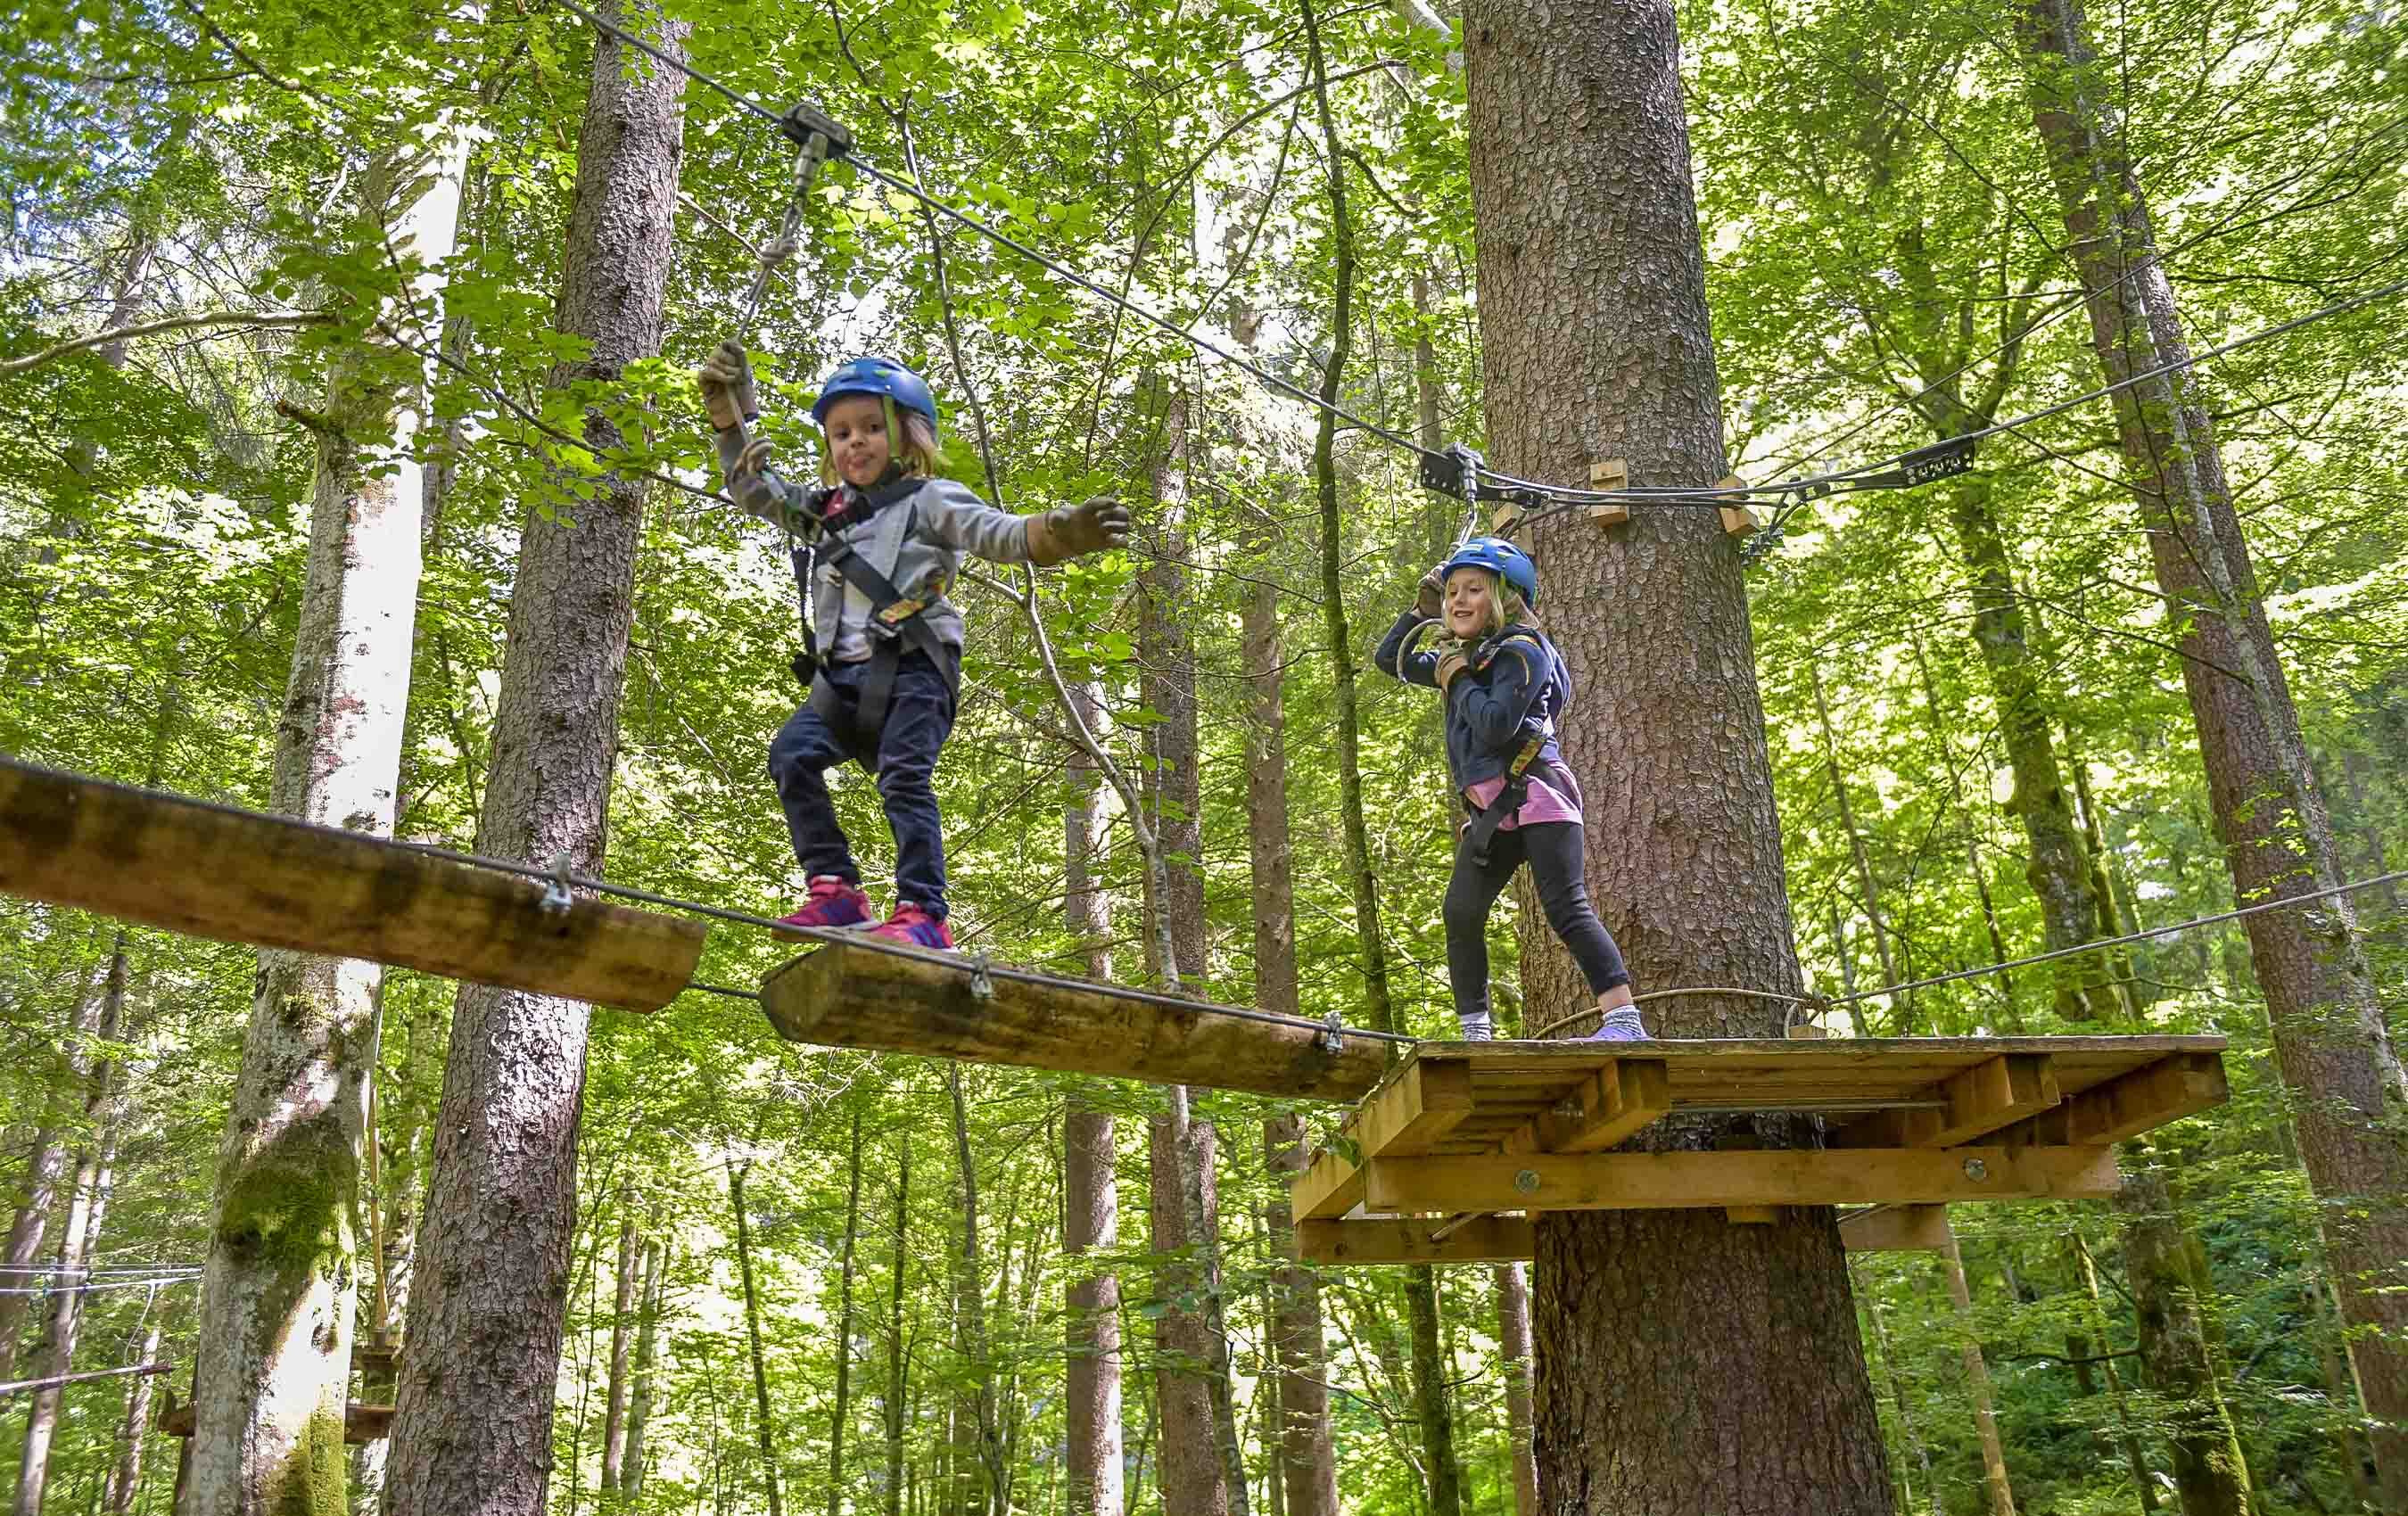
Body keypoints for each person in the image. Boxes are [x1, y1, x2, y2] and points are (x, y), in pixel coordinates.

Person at [697, 342, 1130, 949]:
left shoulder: (931, 499)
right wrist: (730, 418)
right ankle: (836, 890)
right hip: (840, 682)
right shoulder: (823, 512)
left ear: (908, 435)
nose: (856, 442)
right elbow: (757, 490)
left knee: (903, 777)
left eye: (872, 428)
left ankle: (925, 911)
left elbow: (999, 534)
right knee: (791, 756)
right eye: (842, 433)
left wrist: (1061, 533)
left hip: (915, 668)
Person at [1373, 537, 1645, 1041]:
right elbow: (1391, 660)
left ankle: (1625, 1021)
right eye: (1451, 591)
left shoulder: (1524, 652)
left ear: (1504, 597)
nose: (1458, 600)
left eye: (1473, 589)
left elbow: (1497, 725)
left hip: (1539, 795)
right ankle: (1476, 1033)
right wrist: (1419, 613)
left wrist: (1456, 678)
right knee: (1461, 911)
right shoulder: (1466, 659)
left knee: (1566, 907)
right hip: (1493, 811)